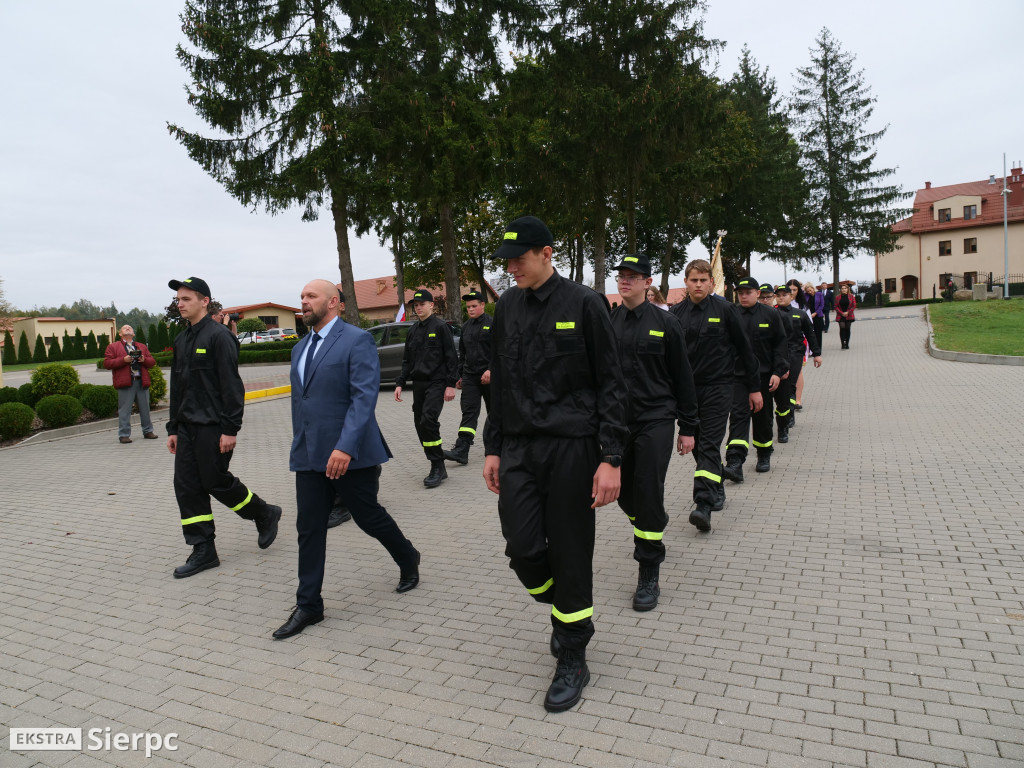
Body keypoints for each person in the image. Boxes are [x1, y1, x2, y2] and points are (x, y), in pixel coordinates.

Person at [483, 215, 627, 713]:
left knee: (570, 551)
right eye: (506, 260)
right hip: (520, 446)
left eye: (518, 258)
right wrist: (493, 446)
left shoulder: (585, 304)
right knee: (523, 548)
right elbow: (499, 381)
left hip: (572, 447)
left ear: (547, 253)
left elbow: (612, 383)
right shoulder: (508, 309)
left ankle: (573, 653)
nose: (511, 268)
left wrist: (611, 458)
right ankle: (561, 607)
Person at [273, 280, 420, 640]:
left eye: (311, 297)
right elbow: (301, 404)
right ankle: (309, 605)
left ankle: (407, 557)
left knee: (369, 517)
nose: (304, 302)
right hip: (309, 454)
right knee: (309, 527)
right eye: (301, 297)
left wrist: (345, 446)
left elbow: (363, 397)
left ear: (334, 303)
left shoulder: (357, 340)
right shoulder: (300, 348)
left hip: (349, 454)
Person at [165, 276, 282, 579]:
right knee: (187, 486)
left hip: (214, 427)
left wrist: (230, 429)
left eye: (186, 299)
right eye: (178, 299)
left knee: (214, 480)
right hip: (188, 427)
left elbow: (232, 387)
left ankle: (263, 512)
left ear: (205, 301)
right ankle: (204, 549)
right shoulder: (182, 339)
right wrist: (173, 428)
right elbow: (176, 387)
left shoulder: (219, 337)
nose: (180, 304)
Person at [609, 253, 697, 611]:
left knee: (646, 491)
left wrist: (688, 426)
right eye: (621, 275)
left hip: (656, 420)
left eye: (633, 276)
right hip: (617, 423)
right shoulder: (608, 321)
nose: (625, 281)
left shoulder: (666, 323)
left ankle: (648, 571)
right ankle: (654, 521)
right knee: (621, 494)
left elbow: (683, 377)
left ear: (648, 283)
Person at [669, 260, 760, 532]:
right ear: (686, 282)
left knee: (709, 443)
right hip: (687, 392)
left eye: (703, 280)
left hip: (720, 388)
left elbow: (746, 352)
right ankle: (716, 482)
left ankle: (703, 504)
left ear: (711, 282)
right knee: (697, 444)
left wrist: (754, 388)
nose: (698, 285)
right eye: (693, 280)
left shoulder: (726, 310)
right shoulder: (675, 314)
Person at [723, 277, 788, 479]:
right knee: (738, 418)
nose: (743, 296)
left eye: (748, 292)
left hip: (764, 377)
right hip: (738, 377)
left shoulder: (770, 314)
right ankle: (735, 462)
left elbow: (780, 345)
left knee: (763, 417)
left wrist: (778, 372)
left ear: (758, 293)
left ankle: (763, 453)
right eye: (740, 292)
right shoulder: (731, 314)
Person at [394, 290, 458, 487]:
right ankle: (437, 462)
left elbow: (451, 358)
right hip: (418, 384)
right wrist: (400, 383)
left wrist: (450, 384)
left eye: (422, 303)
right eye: (416, 304)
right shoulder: (413, 330)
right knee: (420, 424)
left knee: (428, 420)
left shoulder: (440, 327)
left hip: (437, 382)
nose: (419, 307)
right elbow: (406, 360)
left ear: (431, 305)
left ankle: (437, 465)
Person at [443, 290, 492, 466]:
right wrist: (460, 375)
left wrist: (491, 369)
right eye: (468, 307)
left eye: (474, 306)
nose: (470, 309)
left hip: (490, 377)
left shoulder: (493, 324)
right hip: (471, 376)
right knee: (469, 412)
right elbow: (462, 354)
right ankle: (462, 449)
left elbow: (500, 350)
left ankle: (494, 445)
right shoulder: (466, 327)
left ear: (482, 305)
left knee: (495, 412)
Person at [773, 284, 822, 443]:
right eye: (778, 295)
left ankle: (787, 418)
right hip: (777, 354)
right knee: (781, 389)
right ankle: (786, 413)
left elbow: (810, 334)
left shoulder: (800, 314)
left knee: (790, 385)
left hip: (795, 354)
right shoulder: (771, 314)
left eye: (784, 295)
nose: (781, 297)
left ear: (791, 296)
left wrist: (817, 354)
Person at [103, 324, 158, 444]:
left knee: (145, 409)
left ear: (133, 334)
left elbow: (152, 362)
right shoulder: (113, 347)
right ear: (120, 333)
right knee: (125, 410)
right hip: (126, 383)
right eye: (124, 328)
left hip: (141, 381)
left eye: (130, 328)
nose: (128, 328)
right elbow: (107, 363)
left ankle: (148, 431)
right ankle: (124, 435)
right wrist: (123, 360)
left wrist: (144, 360)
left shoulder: (141, 346)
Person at [834, 283, 857, 349]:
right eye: (842, 288)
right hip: (840, 315)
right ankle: (842, 344)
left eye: (845, 288)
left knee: (847, 329)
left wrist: (848, 312)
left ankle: (847, 343)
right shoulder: (837, 297)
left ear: (847, 289)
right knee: (842, 328)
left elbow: (854, 305)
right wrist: (841, 313)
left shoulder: (851, 296)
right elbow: (835, 306)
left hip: (849, 315)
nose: (843, 290)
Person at [812, 283, 827, 350]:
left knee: (818, 333)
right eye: (808, 291)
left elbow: (822, 305)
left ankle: (818, 348)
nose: (809, 292)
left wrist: (816, 313)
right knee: (812, 334)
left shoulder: (819, 294)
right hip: (809, 316)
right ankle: (812, 349)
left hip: (818, 315)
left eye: (810, 290)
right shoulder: (806, 295)